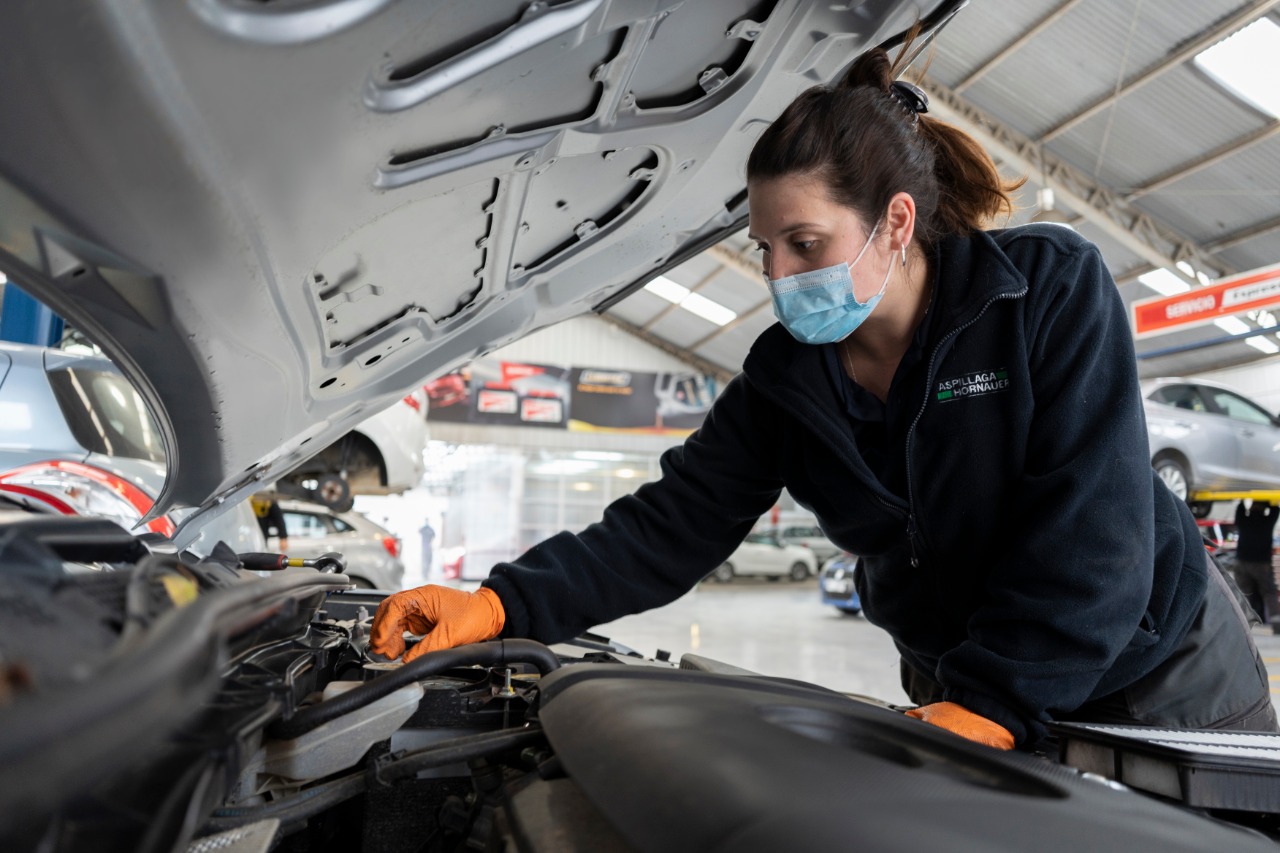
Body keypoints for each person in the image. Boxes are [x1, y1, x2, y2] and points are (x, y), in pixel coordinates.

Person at [370, 34, 1277, 751]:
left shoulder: (1040, 293)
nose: (777, 272)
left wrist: (1000, 701)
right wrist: (498, 604)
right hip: (965, 687)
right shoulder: (785, 381)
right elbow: (668, 527)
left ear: (896, 222)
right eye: (765, 247)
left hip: (1158, 677)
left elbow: (1096, 528)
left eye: (804, 243)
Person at [1232, 499, 1280, 629]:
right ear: (1264, 509)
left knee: (1246, 593)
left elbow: (1239, 511)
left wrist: (1243, 498)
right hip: (1261, 564)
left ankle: (1247, 623)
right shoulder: (1267, 521)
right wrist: (1270, 501)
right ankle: (1276, 624)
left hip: (1241, 562)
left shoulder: (1244, 520)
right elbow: (1276, 510)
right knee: (1269, 592)